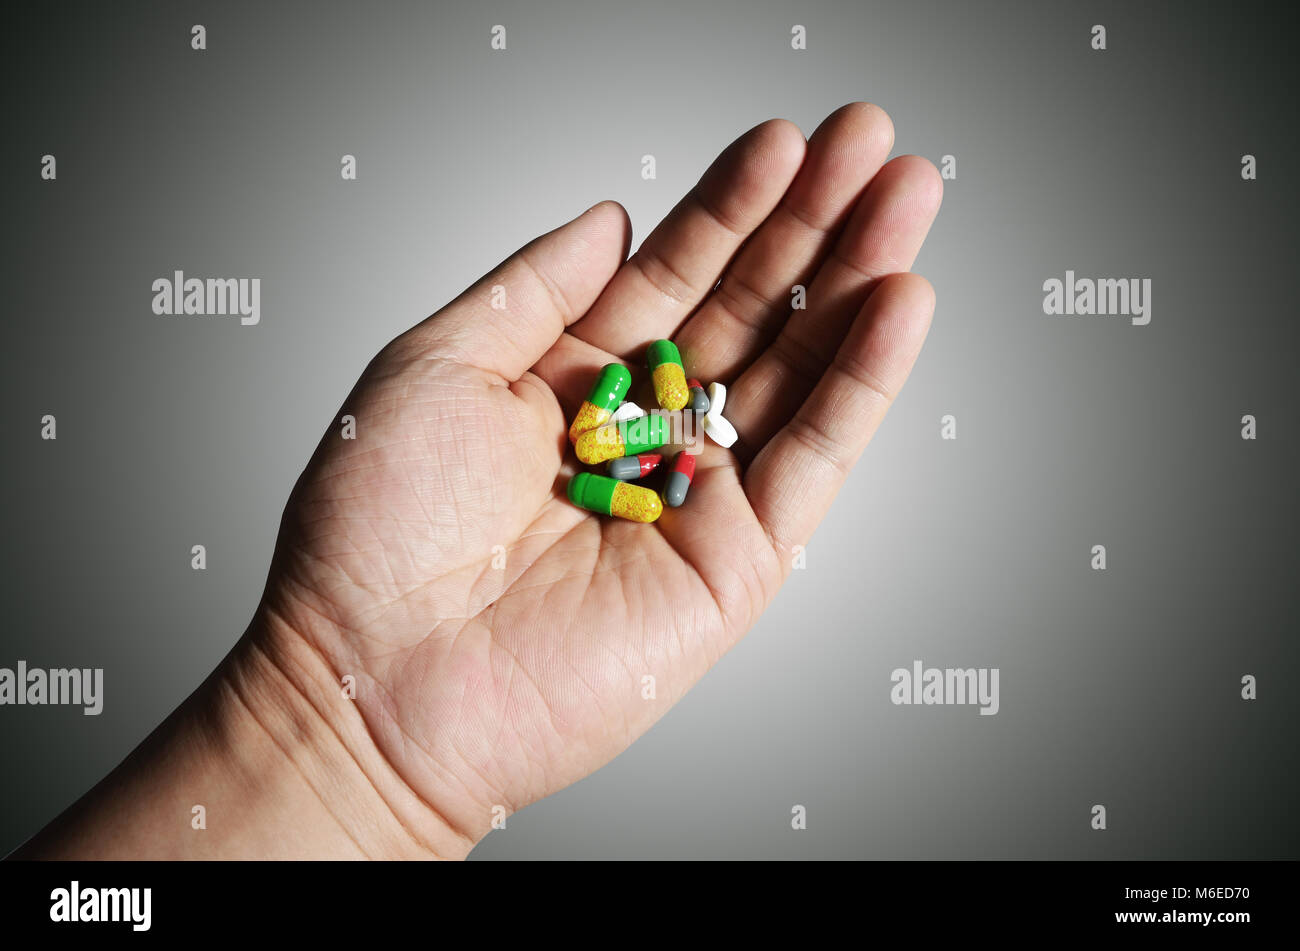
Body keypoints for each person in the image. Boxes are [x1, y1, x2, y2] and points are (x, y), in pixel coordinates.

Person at [12, 103, 942, 860]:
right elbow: (604, 451)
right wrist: (343, 753)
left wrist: (346, 773)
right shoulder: (621, 439)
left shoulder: (651, 446)